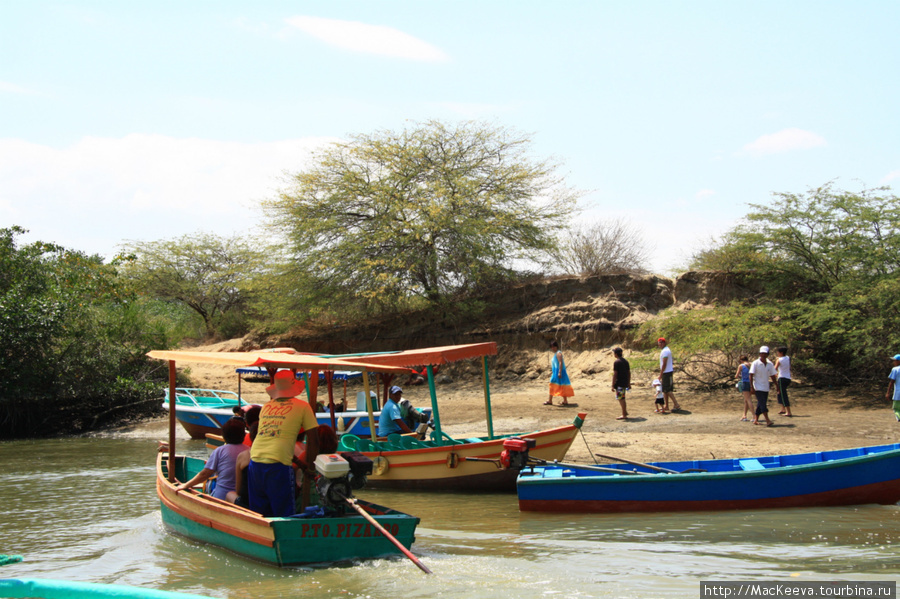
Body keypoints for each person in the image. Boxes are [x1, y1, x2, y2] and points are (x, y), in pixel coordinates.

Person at [248, 370, 320, 517]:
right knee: (285, 514)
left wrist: (300, 463)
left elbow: (273, 439)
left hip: (255, 460)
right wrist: (311, 468)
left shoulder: (266, 406)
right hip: (278, 465)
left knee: (260, 514)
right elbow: (314, 439)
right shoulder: (303, 406)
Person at [175, 418, 246, 500]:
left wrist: (186, 485)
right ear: (243, 435)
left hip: (222, 497)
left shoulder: (220, 451)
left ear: (224, 436)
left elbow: (205, 474)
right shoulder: (249, 451)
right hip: (242, 499)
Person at [749, 345, 777, 427]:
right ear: (759, 354)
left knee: (760, 404)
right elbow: (751, 375)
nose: (763, 355)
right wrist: (751, 387)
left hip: (765, 386)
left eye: (765, 354)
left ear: (768, 354)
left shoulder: (770, 364)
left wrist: (776, 385)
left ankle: (756, 419)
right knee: (763, 404)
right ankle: (767, 420)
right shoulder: (755, 363)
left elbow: (772, 375)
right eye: (762, 353)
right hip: (757, 386)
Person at [545, 341, 574, 406]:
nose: (552, 348)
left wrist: (559, 372)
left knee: (554, 385)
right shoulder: (556, 354)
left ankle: (550, 401)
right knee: (560, 385)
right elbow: (556, 364)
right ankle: (564, 401)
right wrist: (552, 372)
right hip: (556, 372)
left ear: (556, 346)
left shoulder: (558, 353)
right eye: (551, 347)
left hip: (559, 372)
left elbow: (560, 363)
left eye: (554, 346)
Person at [657, 338, 681, 411]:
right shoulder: (665, 350)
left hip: (666, 372)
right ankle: (666, 406)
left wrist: (661, 374)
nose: (660, 344)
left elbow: (664, 363)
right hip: (666, 372)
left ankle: (676, 404)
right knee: (665, 390)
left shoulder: (665, 351)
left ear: (664, 343)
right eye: (659, 343)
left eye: (661, 343)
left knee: (668, 390)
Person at [611, 347, 630, 420]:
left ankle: (624, 414)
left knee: (621, 398)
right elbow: (629, 373)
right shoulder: (625, 361)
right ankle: (624, 411)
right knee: (622, 397)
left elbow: (615, 374)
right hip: (624, 382)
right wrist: (628, 383)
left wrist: (612, 385)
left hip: (620, 383)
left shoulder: (617, 362)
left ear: (616, 354)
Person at [774, 347, 793, 417]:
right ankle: (783, 409)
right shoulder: (787, 358)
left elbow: (775, 368)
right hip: (787, 378)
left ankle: (788, 411)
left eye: (778, 352)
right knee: (779, 393)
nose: (777, 354)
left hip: (782, 378)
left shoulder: (779, 360)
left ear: (781, 353)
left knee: (783, 394)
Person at [734, 355, 753, 421]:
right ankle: (744, 415)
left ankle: (754, 415)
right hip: (752, 383)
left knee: (748, 400)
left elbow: (736, 376)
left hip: (745, 382)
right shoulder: (752, 364)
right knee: (746, 400)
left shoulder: (741, 366)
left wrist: (740, 375)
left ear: (741, 360)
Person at [886, 354, 900, 422]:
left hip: (898, 393)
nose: (893, 362)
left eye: (895, 361)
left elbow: (892, 381)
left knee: (896, 408)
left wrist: (888, 392)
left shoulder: (895, 369)